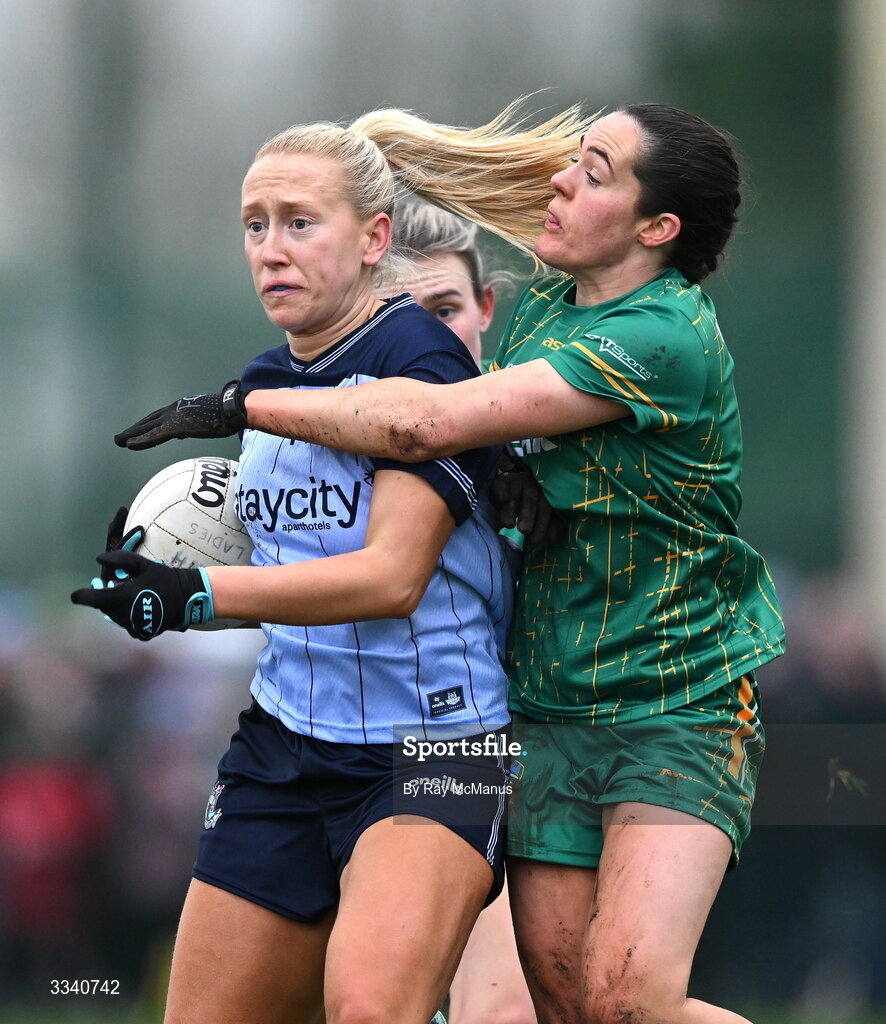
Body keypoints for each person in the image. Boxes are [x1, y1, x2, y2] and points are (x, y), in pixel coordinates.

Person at [112, 101, 787, 1024]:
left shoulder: (655, 336)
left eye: (594, 173)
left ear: (658, 228)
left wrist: (236, 411)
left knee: (617, 1003)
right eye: (255, 225)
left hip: (636, 709)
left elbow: (418, 466)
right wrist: (169, 598)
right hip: (533, 706)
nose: (562, 180)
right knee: (569, 1011)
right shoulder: (548, 303)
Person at [71, 111, 595, 1024]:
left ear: (374, 239)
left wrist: (197, 594)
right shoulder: (266, 379)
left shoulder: (418, 359)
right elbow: (300, 586)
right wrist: (156, 597)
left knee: (369, 1012)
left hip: (436, 755)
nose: (272, 247)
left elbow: (389, 579)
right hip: (282, 751)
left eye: (299, 222)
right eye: (255, 223)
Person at [389, 200, 536, 1024]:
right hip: (398, 764)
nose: (428, 343)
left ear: (485, 307)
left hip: (551, 759)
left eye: (445, 311)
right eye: (403, 319)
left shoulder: (553, 424)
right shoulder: (333, 438)